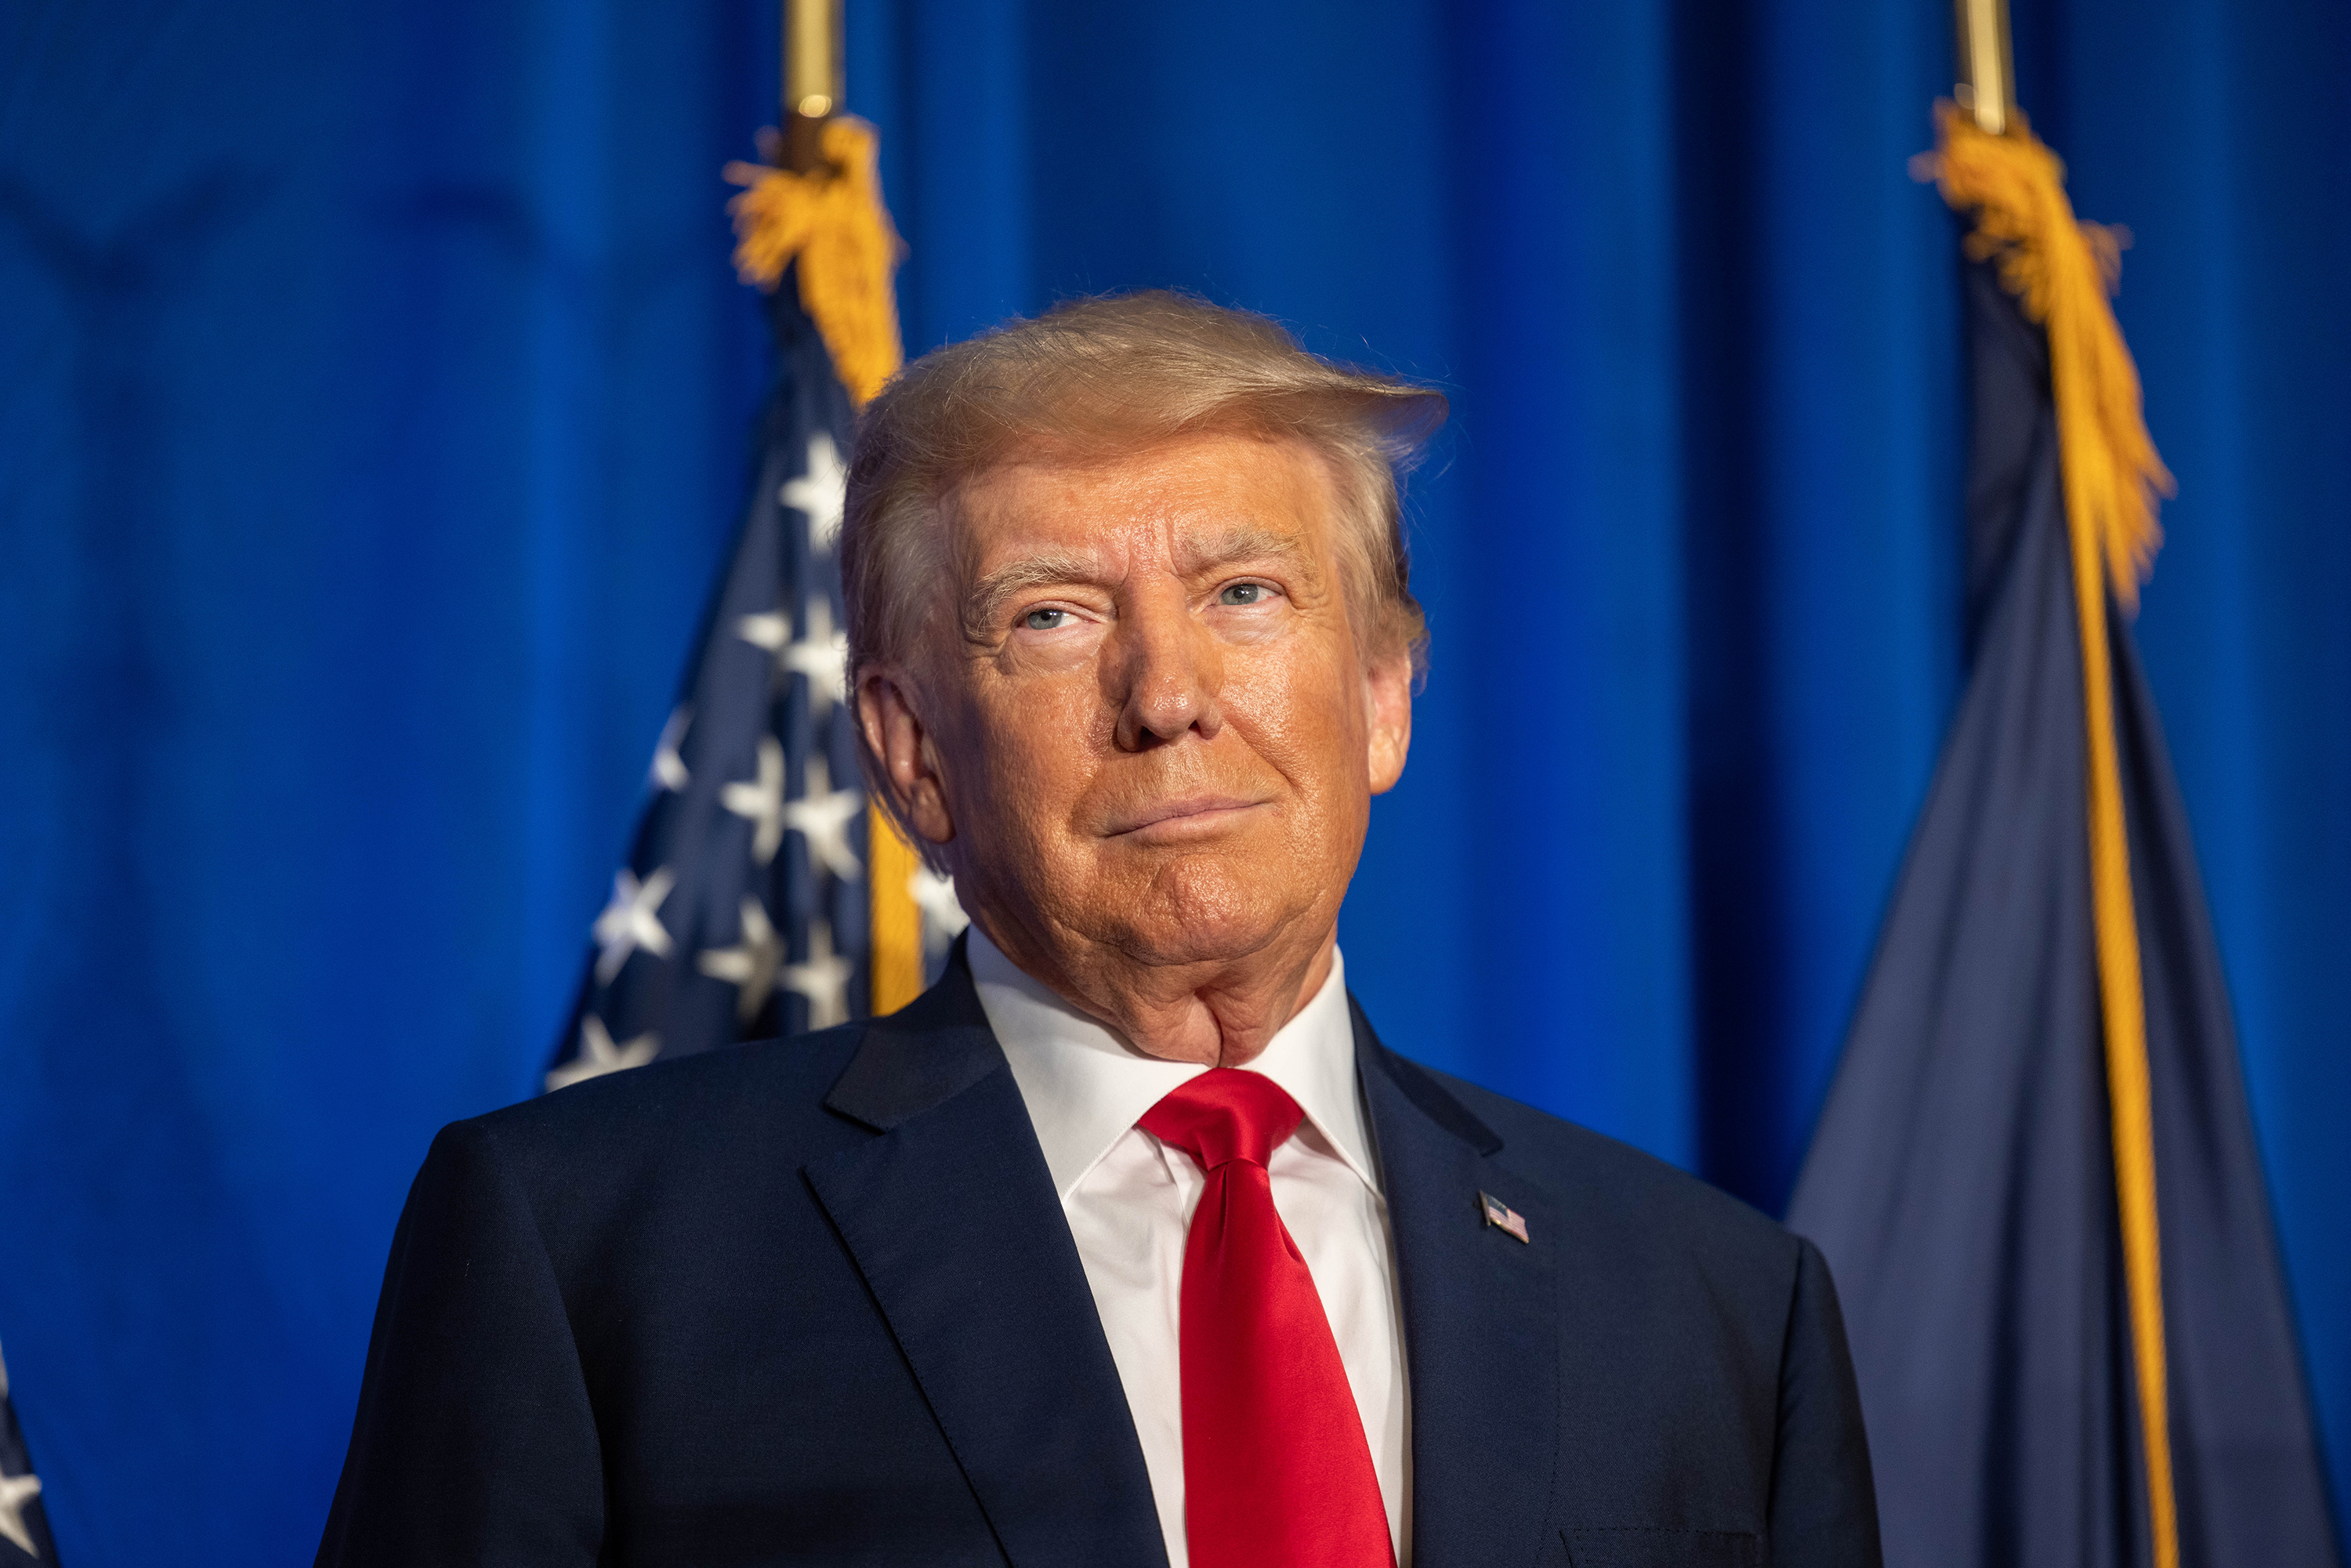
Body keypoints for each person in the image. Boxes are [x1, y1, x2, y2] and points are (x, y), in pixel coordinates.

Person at [315, 292, 1881, 1568]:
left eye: (1245, 592)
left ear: (1385, 694)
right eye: (1053, 615)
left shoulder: (1723, 1307)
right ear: (911, 750)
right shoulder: (586, 1253)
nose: (1167, 694)